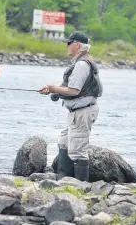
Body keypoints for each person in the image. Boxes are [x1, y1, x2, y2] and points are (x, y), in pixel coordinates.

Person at [39, 31, 103, 182]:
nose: (66, 46)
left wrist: (54, 88)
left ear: (77, 45)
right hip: (78, 111)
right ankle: (63, 180)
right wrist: (55, 92)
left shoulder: (81, 65)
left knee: (78, 150)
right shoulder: (82, 61)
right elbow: (70, 87)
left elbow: (75, 90)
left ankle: (81, 186)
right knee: (64, 142)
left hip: (83, 112)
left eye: (69, 43)